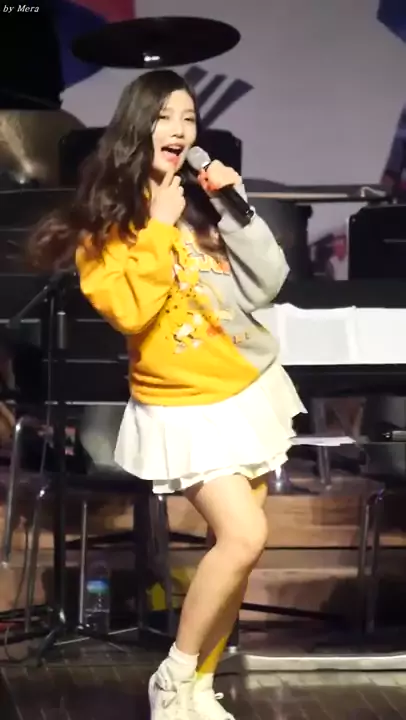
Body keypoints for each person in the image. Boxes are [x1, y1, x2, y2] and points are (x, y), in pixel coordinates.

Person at [28, 69, 305, 720]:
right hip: (184, 403)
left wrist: (236, 206)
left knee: (236, 553)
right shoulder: (107, 222)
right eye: (165, 118)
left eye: (189, 118)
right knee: (244, 536)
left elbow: (267, 283)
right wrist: (157, 227)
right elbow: (131, 312)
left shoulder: (204, 203)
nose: (180, 130)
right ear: (137, 127)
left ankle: (198, 688)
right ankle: (173, 675)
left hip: (246, 387)